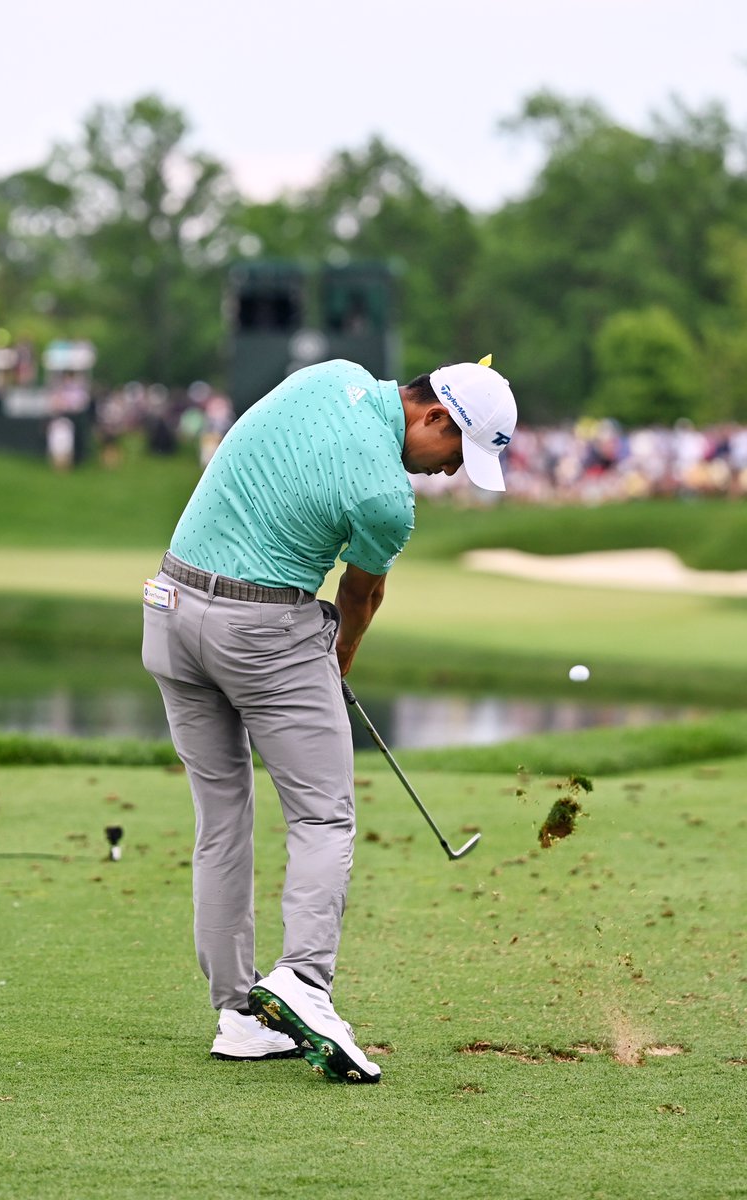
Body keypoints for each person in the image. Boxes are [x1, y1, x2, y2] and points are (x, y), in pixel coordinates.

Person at [141, 356, 517, 1084]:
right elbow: (361, 597)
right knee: (323, 817)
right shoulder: (387, 497)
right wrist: (336, 659)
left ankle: (239, 1017)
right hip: (256, 631)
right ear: (434, 418)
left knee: (222, 820)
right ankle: (304, 981)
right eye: (455, 457)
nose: (448, 475)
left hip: (170, 609)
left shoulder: (328, 374)